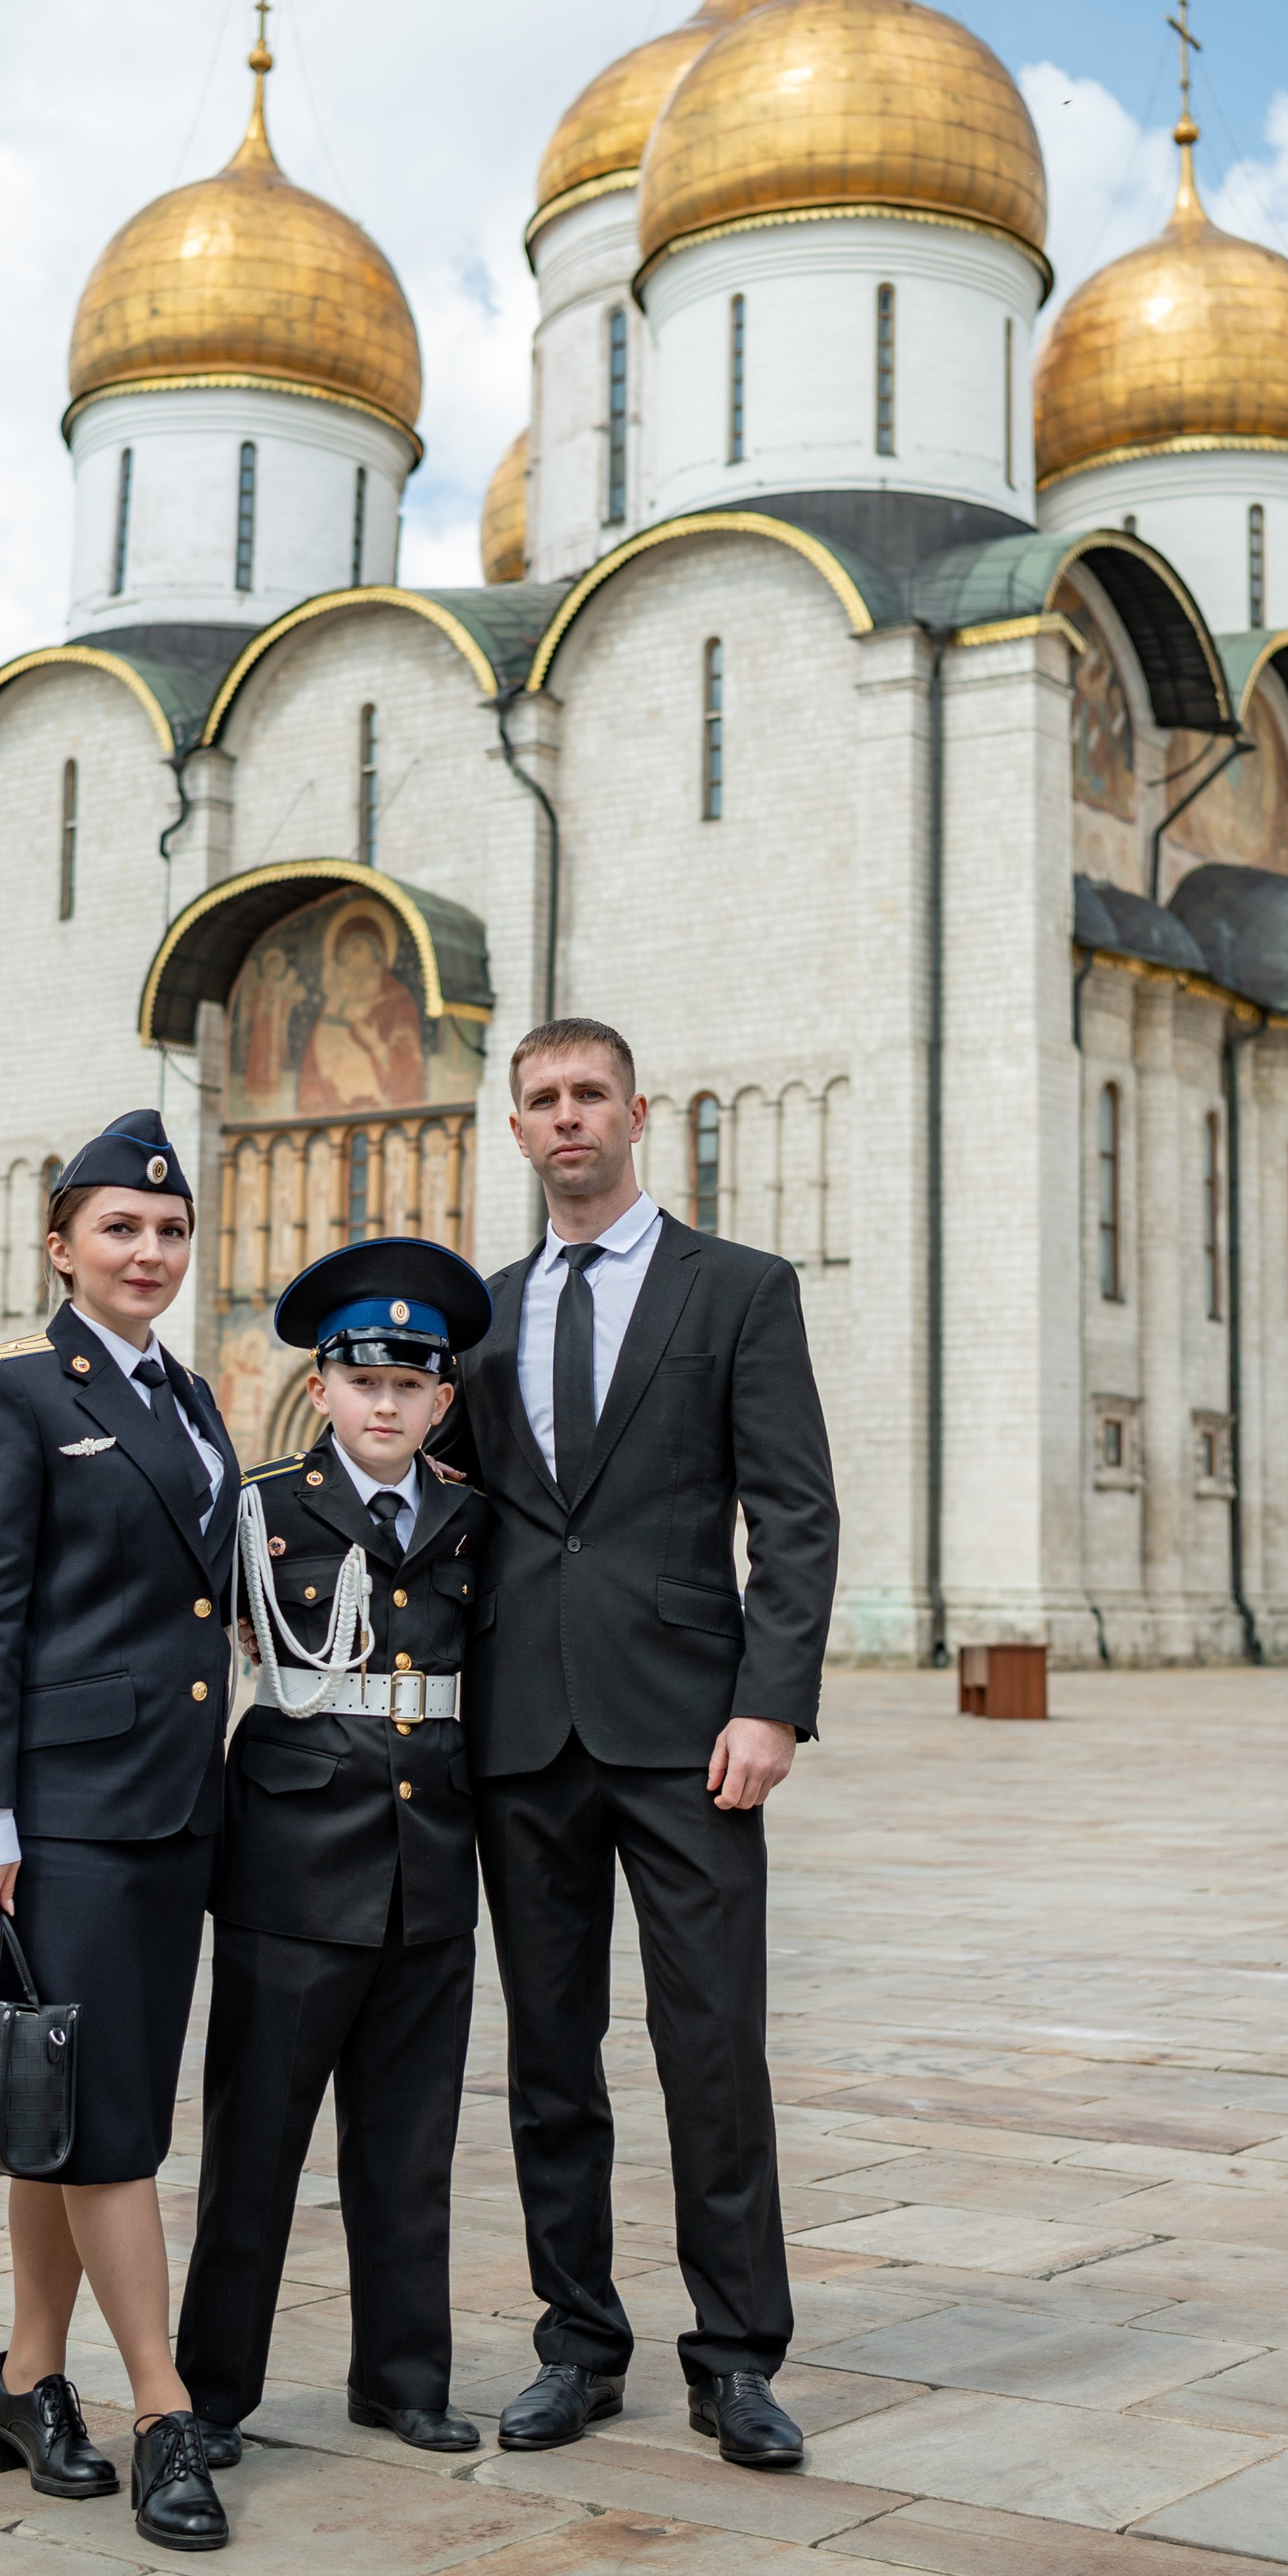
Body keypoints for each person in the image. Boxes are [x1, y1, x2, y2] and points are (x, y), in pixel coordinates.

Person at [442, 1019, 838, 2471]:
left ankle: (736, 2356)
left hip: (690, 1733)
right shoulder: (476, 1317)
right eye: (540, 1099)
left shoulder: (736, 1289)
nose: (566, 1119)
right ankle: (578, 2339)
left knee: (710, 2047)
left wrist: (771, 1700)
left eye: (588, 1094)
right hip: (523, 1735)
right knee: (552, 2056)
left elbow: (795, 1510)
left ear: (636, 1112)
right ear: (516, 1126)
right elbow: (459, 1514)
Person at [0, 1108, 240, 2555]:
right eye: (120, 1227)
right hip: (65, 1817)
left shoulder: (191, 1396)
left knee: (66, 2112)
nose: (149, 1250)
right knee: (113, 2127)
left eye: (169, 1229)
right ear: (61, 1244)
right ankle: (163, 2410)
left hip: (175, 1812)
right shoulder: (12, 1390)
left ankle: (25, 2380)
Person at [175, 1236, 494, 2461]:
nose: (385, 1404)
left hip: (429, 1873)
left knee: (409, 2149)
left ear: (441, 1400)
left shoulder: (473, 1518)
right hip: (289, 1873)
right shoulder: (258, 1507)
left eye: (410, 1386)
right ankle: (211, 2391)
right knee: (254, 2148)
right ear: (322, 1389)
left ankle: (402, 2376)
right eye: (364, 1382)